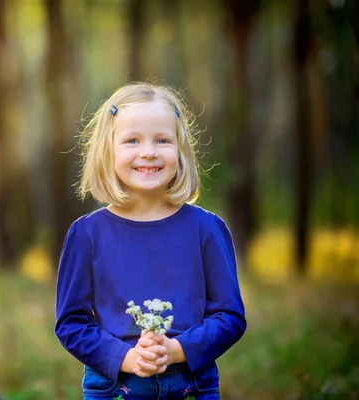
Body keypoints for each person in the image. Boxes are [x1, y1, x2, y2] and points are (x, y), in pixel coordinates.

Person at [55, 82, 246, 400]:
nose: (149, 151)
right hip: (114, 385)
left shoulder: (207, 229)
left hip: (191, 385)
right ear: (108, 150)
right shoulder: (86, 234)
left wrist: (176, 350)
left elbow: (230, 317)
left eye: (162, 140)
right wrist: (128, 358)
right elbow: (71, 324)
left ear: (181, 150)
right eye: (132, 140)